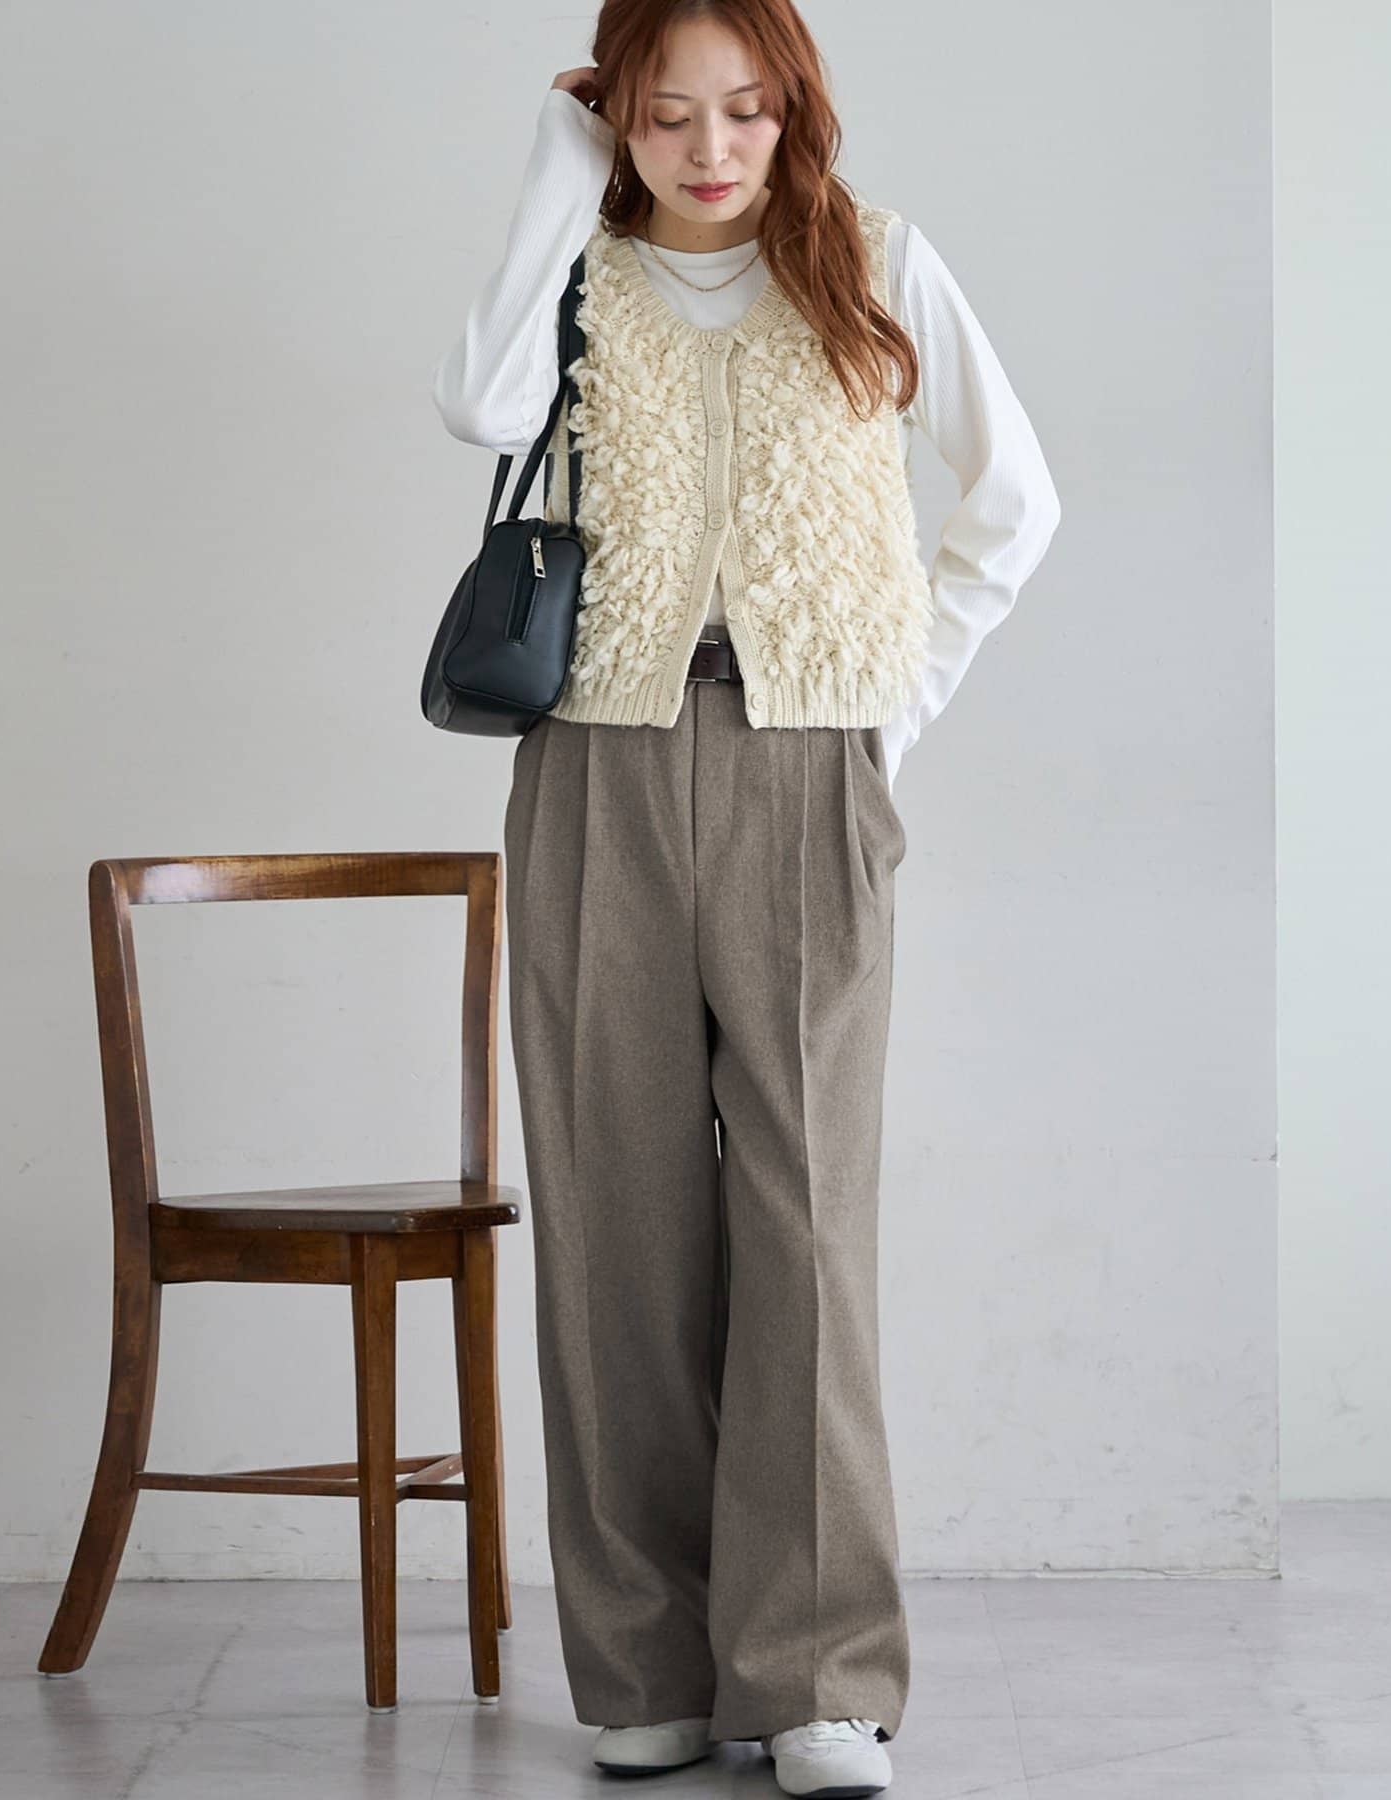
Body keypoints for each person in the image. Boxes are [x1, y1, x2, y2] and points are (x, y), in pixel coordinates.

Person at [433, 5, 1060, 1794]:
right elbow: (476, 410)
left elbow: (1015, 502)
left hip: (808, 772)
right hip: (594, 770)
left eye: (747, 110)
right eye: (665, 116)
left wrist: (889, 705)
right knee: (614, 1226)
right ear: (612, 121)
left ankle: (817, 1681)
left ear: (795, 111)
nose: (711, 151)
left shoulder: (876, 262)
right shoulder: (577, 278)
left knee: (805, 1229)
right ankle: (643, 1661)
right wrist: (552, 178)